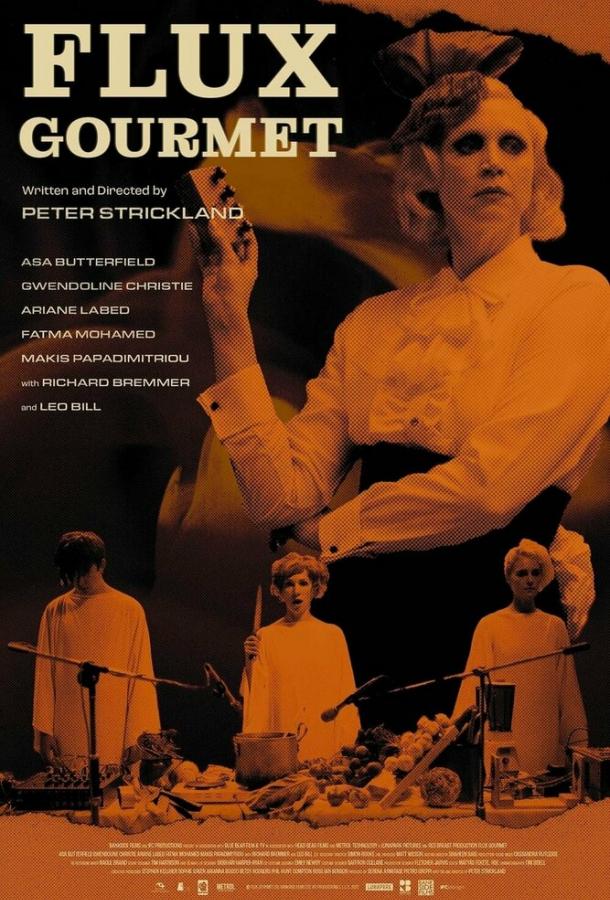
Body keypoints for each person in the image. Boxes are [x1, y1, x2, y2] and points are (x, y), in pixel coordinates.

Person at [190, 29, 609, 730]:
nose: (493, 163)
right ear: (427, 174)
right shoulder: (373, 325)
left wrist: (326, 532)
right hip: (354, 651)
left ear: (537, 170)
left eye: (513, 146)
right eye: (468, 146)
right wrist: (228, 314)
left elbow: (490, 488)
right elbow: (277, 497)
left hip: (489, 639)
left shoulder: (577, 299)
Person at [452, 539, 587, 775]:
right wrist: (458, 732)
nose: (530, 579)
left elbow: (568, 689)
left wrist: (577, 743)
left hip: (544, 731)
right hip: (504, 734)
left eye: (535, 573)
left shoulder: (554, 626)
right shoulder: (489, 625)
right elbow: (473, 685)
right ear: (508, 577)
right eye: (521, 573)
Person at [33, 531, 161, 767]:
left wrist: (139, 736)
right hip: (67, 724)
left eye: (85, 573)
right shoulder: (55, 611)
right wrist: (44, 729)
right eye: (74, 574)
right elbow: (44, 674)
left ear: (101, 565)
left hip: (116, 722)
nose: (80, 581)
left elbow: (141, 674)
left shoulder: (129, 610)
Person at [241, 553, 360, 760]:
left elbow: (346, 692)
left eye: (303, 583)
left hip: (321, 730)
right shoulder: (266, 636)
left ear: (315, 588)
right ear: (279, 591)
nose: (296, 591)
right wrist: (249, 660)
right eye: (289, 584)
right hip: (283, 732)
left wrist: (347, 743)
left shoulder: (332, 635)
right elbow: (257, 695)